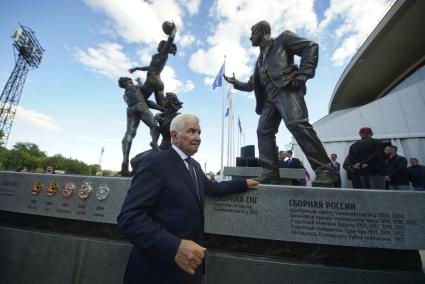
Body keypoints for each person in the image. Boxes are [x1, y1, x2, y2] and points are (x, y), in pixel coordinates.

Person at [117, 114, 258, 284]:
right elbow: (130, 218)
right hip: (157, 270)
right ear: (174, 135)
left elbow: (211, 188)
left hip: (188, 269)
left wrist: (242, 184)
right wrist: (174, 247)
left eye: (199, 132)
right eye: (191, 132)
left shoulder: (195, 166)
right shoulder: (156, 162)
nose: (198, 138)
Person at [224, 20, 337, 186]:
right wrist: (236, 83)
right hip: (269, 100)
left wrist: (303, 74)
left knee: (297, 124)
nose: (250, 38)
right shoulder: (259, 61)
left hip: (286, 89)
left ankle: (325, 169)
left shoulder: (283, 39)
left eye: (253, 33)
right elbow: (251, 85)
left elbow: (310, 46)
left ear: (263, 31)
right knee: (263, 131)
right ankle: (270, 173)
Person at [118, 77, 161, 176]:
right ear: (128, 82)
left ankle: (125, 161)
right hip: (140, 106)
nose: (131, 82)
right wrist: (139, 81)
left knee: (129, 133)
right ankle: (154, 142)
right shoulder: (136, 88)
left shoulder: (124, 95)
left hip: (130, 110)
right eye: (129, 81)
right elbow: (146, 96)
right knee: (154, 126)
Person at [129, 22, 177, 108]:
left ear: (163, 47)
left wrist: (174, 30)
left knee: (141, 99)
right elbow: (148, 67)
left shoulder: (163, 53)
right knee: (162, 104)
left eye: (159, 45)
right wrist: (136, 68)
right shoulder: (158, 56)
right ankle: (165, 114)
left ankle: (162, 110)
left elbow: (170, 40)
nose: (157, 47)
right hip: (159, 82)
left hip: (152, 80)